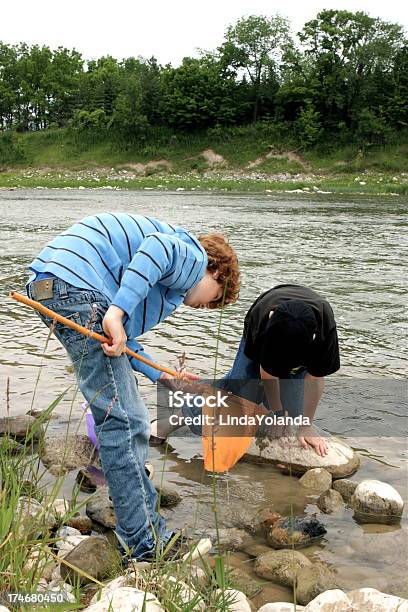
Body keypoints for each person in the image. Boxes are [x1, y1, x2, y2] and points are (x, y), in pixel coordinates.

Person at [25, 213, 239, 561]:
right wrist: (117, 312)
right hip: (77, 287)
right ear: (217, 272)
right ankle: (145, 545)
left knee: (127, 420)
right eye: (216, 298)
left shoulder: (154, 288)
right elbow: (156, 250)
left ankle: (141, 530)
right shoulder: (194, 257)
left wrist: (164, 377)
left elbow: (121, 340)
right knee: (126, 424)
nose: (206, 308)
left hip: (50, 285)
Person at [151, 284, 340, 457]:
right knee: (239, 388)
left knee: (295, 414)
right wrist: (277, 412)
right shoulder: (265, 323)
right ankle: (174, 420)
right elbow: (267, 373)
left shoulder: (324, 333)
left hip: (304, 335)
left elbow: (314, 380)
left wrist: (304, 425)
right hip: (259, 322)